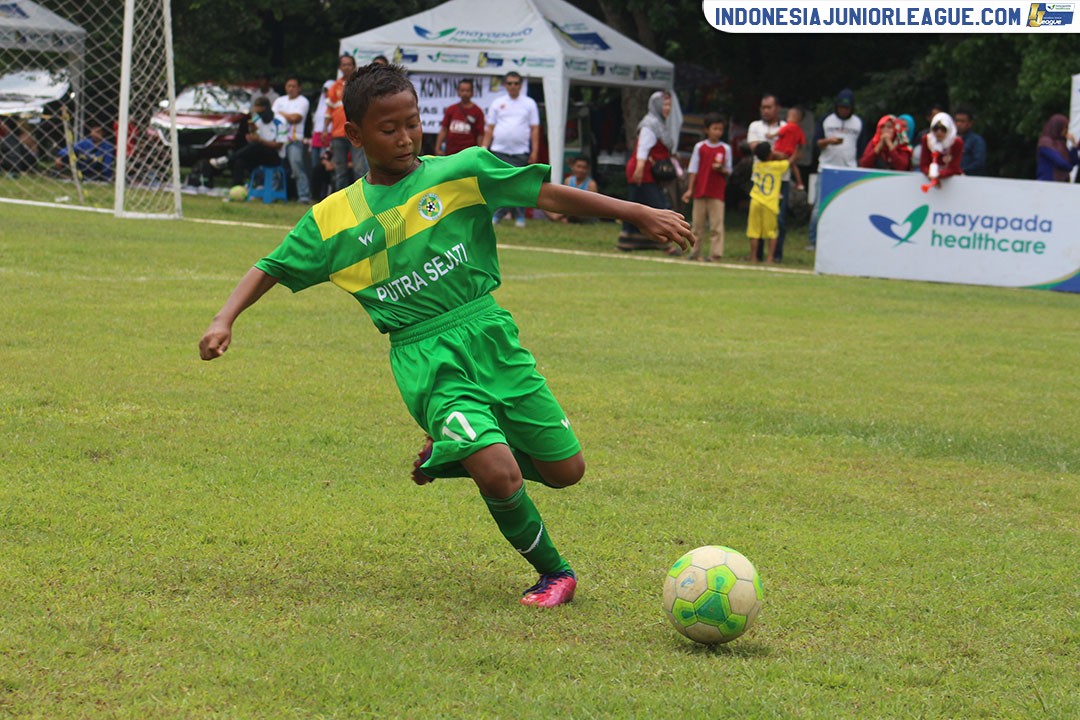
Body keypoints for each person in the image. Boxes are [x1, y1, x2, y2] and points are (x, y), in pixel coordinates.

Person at [197, 62, 694, 608]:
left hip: (489, 334)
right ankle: (554, 572)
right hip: (424, 355)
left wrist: (637, 211)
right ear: (355, 135)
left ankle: (460, 454)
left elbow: (545, 194)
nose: (406, 137)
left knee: (566, 470)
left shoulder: (458, 172)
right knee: (502, 474)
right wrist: (226, 317)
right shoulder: (333, 220)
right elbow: (270, 265)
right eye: (389, 129)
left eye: (413, 122)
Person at [617, 89, 683, 252]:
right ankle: (665, 244)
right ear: (657, 105)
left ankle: (630, 241)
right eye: (665, 104)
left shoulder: (660, 124)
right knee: (658, 206)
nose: (667, 108)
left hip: (649, 172)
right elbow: (642, 150)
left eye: (669, 105)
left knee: (636, 206)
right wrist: (639, 171)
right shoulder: (650, 124)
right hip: (642, 171)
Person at [807, 89, 863, 251]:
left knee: (847, 208)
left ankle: (843, 240)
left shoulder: (858, 123)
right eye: (840, 107)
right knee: (818, 208)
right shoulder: (826, 120)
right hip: (826, 168)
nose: (843, 110)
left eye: (846, 108)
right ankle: (813, 240)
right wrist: (828, 141)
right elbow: (816, 143)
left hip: (849, 169)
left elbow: (861, 147)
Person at [483, 71, 540, 228]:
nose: (513, 86)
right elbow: (490, 128)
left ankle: (520, 217)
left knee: (518, 186)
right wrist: (484, 147)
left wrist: (534, 151)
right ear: (504, 85)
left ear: (521, 85)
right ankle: (497, 215)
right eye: (509, 83)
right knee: (500, 186)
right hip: (499, 150)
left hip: (520, 151)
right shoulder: (497, 102)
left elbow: (535, 129)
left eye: (516, 83)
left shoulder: (529, 103)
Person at [681, 112, 731, 261]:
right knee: (697, 225)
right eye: (714, 128)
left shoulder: (725, 149)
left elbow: (729, 170)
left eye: (720, 129)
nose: (717, 132)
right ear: (707, 130)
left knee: (716, 225)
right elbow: (693, 169)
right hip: (700, 191)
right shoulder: (700, 147)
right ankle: (695, 252)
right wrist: (690, 189)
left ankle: (716, 253)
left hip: (716, 192)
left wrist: (721, 169)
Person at [210, 96, 287, 187]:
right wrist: (251, 137)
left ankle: (228, 158)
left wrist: (260, 141)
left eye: (260, 113)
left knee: (256, 145)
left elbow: (279, 145)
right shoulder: (256, 120)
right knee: (239, 161)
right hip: (258, 153)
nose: (259, 115)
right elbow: (254, 138)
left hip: (274, 156)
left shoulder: (279, 122)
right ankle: (237, 187)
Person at [747, 94, 788, 261]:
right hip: (765, 184)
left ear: (777, 108)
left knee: (779, 221)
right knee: (766, 226)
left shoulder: (787, 126)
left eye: (769, 107)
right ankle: (764, 256)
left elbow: (795, 149)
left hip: (781, 181)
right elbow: (754, 147)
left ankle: (774, 256)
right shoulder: (755, 126)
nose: (765, 111)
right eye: (763, 107)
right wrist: (779, 154)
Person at [326, 54, 367, 191]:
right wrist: (325, 129)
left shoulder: (360, 84)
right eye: (344, 64)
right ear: (340, 67)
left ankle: (362, 199)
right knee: (340, 170)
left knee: (360, 169)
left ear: (354, 66)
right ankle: (340, 204)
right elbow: (329, 110)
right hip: (338, 133)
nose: (347, 67)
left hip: (356, 132)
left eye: (349, 64)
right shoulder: (334, 86)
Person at [272, 76, 312, 203]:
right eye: (289, 86)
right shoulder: (280, 100)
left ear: (299, 88)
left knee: (297, 167)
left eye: (294, 86)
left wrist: (282, 113)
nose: (291, 88)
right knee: (277, 167)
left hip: (294, 139)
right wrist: (285, 115)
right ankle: (275, 193)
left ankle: (304, 195)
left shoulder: (303, 101)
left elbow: (296, 118)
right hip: (278, 139)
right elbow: (272, 117)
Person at [747, 141, 788, 264]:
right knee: (771, 233)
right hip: (770, 203)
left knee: (754, 231)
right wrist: (776, 155)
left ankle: (754, 257)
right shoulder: (778, 166)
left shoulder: (757, 166)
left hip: (755, 199)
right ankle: (770, 258)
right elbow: (787, 158)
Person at [435, 79, 485, 156]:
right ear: (458, 92)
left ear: (472, 93)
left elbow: (480, 134)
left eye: (468, 91)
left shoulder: (478, 111)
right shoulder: (451, 109)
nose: (465, 93)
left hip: (469, 153)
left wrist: (479, 151)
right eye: (462, 90)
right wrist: (437, 147)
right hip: (451, 152)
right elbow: (444, 129)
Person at [545, 156, 599, 223]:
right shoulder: (568, 180)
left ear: (587, 169)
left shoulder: (591, 184)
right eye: (578, 167)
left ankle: (559, 218)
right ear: (573, 167)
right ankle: (561, 218)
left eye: (584, 168)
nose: (580, 170)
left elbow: (591, 205)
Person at [919, 112, 964, 186]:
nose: (939, 132)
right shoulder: (927, 140)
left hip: (951, 180)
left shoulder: (956, 142)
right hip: (930, 177)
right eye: (936, 128)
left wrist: (938, 175)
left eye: (943, 129)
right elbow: (924, 164)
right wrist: (930, 174)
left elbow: (954, 167)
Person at [771, 106, 806, 190]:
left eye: (789, 116)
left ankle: (776, 188)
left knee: (776, 168)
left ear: (795, 118)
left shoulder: (788, 126)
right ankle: (800, 183)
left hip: (781, 151)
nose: (787, 118)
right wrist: (799, 153)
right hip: (791, 153)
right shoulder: (799, 130)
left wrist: (770, 135)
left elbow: (779, 133)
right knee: (794, 167)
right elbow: (801, 143)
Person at [1035, 113, 1079, 181]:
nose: (1066, 130)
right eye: (1064, 127)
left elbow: (1074, 161)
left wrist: (1074, 145)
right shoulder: (1045, 143)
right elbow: (1059, 161)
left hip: (1061, 182)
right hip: (1047, 181)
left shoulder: (1061, 144)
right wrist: (1070, 167)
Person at [953, 106, 987, 176]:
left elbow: (978, 163)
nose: (958, 124)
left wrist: (960, 171)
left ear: (970, 124)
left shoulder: (976, 141)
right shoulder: (948, 139)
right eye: (957, 121)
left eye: (962, 121)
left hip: (969, 179)